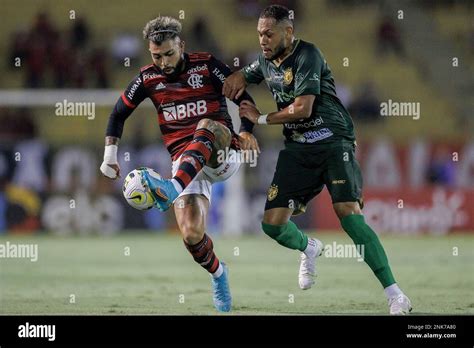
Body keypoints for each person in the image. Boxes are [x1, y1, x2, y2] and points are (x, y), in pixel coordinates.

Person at [222, 5, 412, 315]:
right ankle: (308, 248)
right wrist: (229, 79)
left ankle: (395, 294)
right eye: (259, 34)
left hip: (334, 142)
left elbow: (304, 109)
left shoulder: (307, 54)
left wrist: (260, 118)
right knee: (272, 225)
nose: (263, 40)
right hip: (298, 149)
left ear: (288, 32)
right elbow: (238, 78)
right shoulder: (264, 63)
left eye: (269, 34)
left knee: (347, 214)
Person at [100, 16, 259, 312]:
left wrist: (247, 131)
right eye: (156, 56)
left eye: (169, 54)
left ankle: (171, 188)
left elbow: (245, 100)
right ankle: (219, 274)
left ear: (181, 46)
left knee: (206, 125)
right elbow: (118, 113)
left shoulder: (207, 65)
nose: (163, 62)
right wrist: (110, 155)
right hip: (187, 165)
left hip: (222, 153)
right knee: (191, 234)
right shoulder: (148, 78)